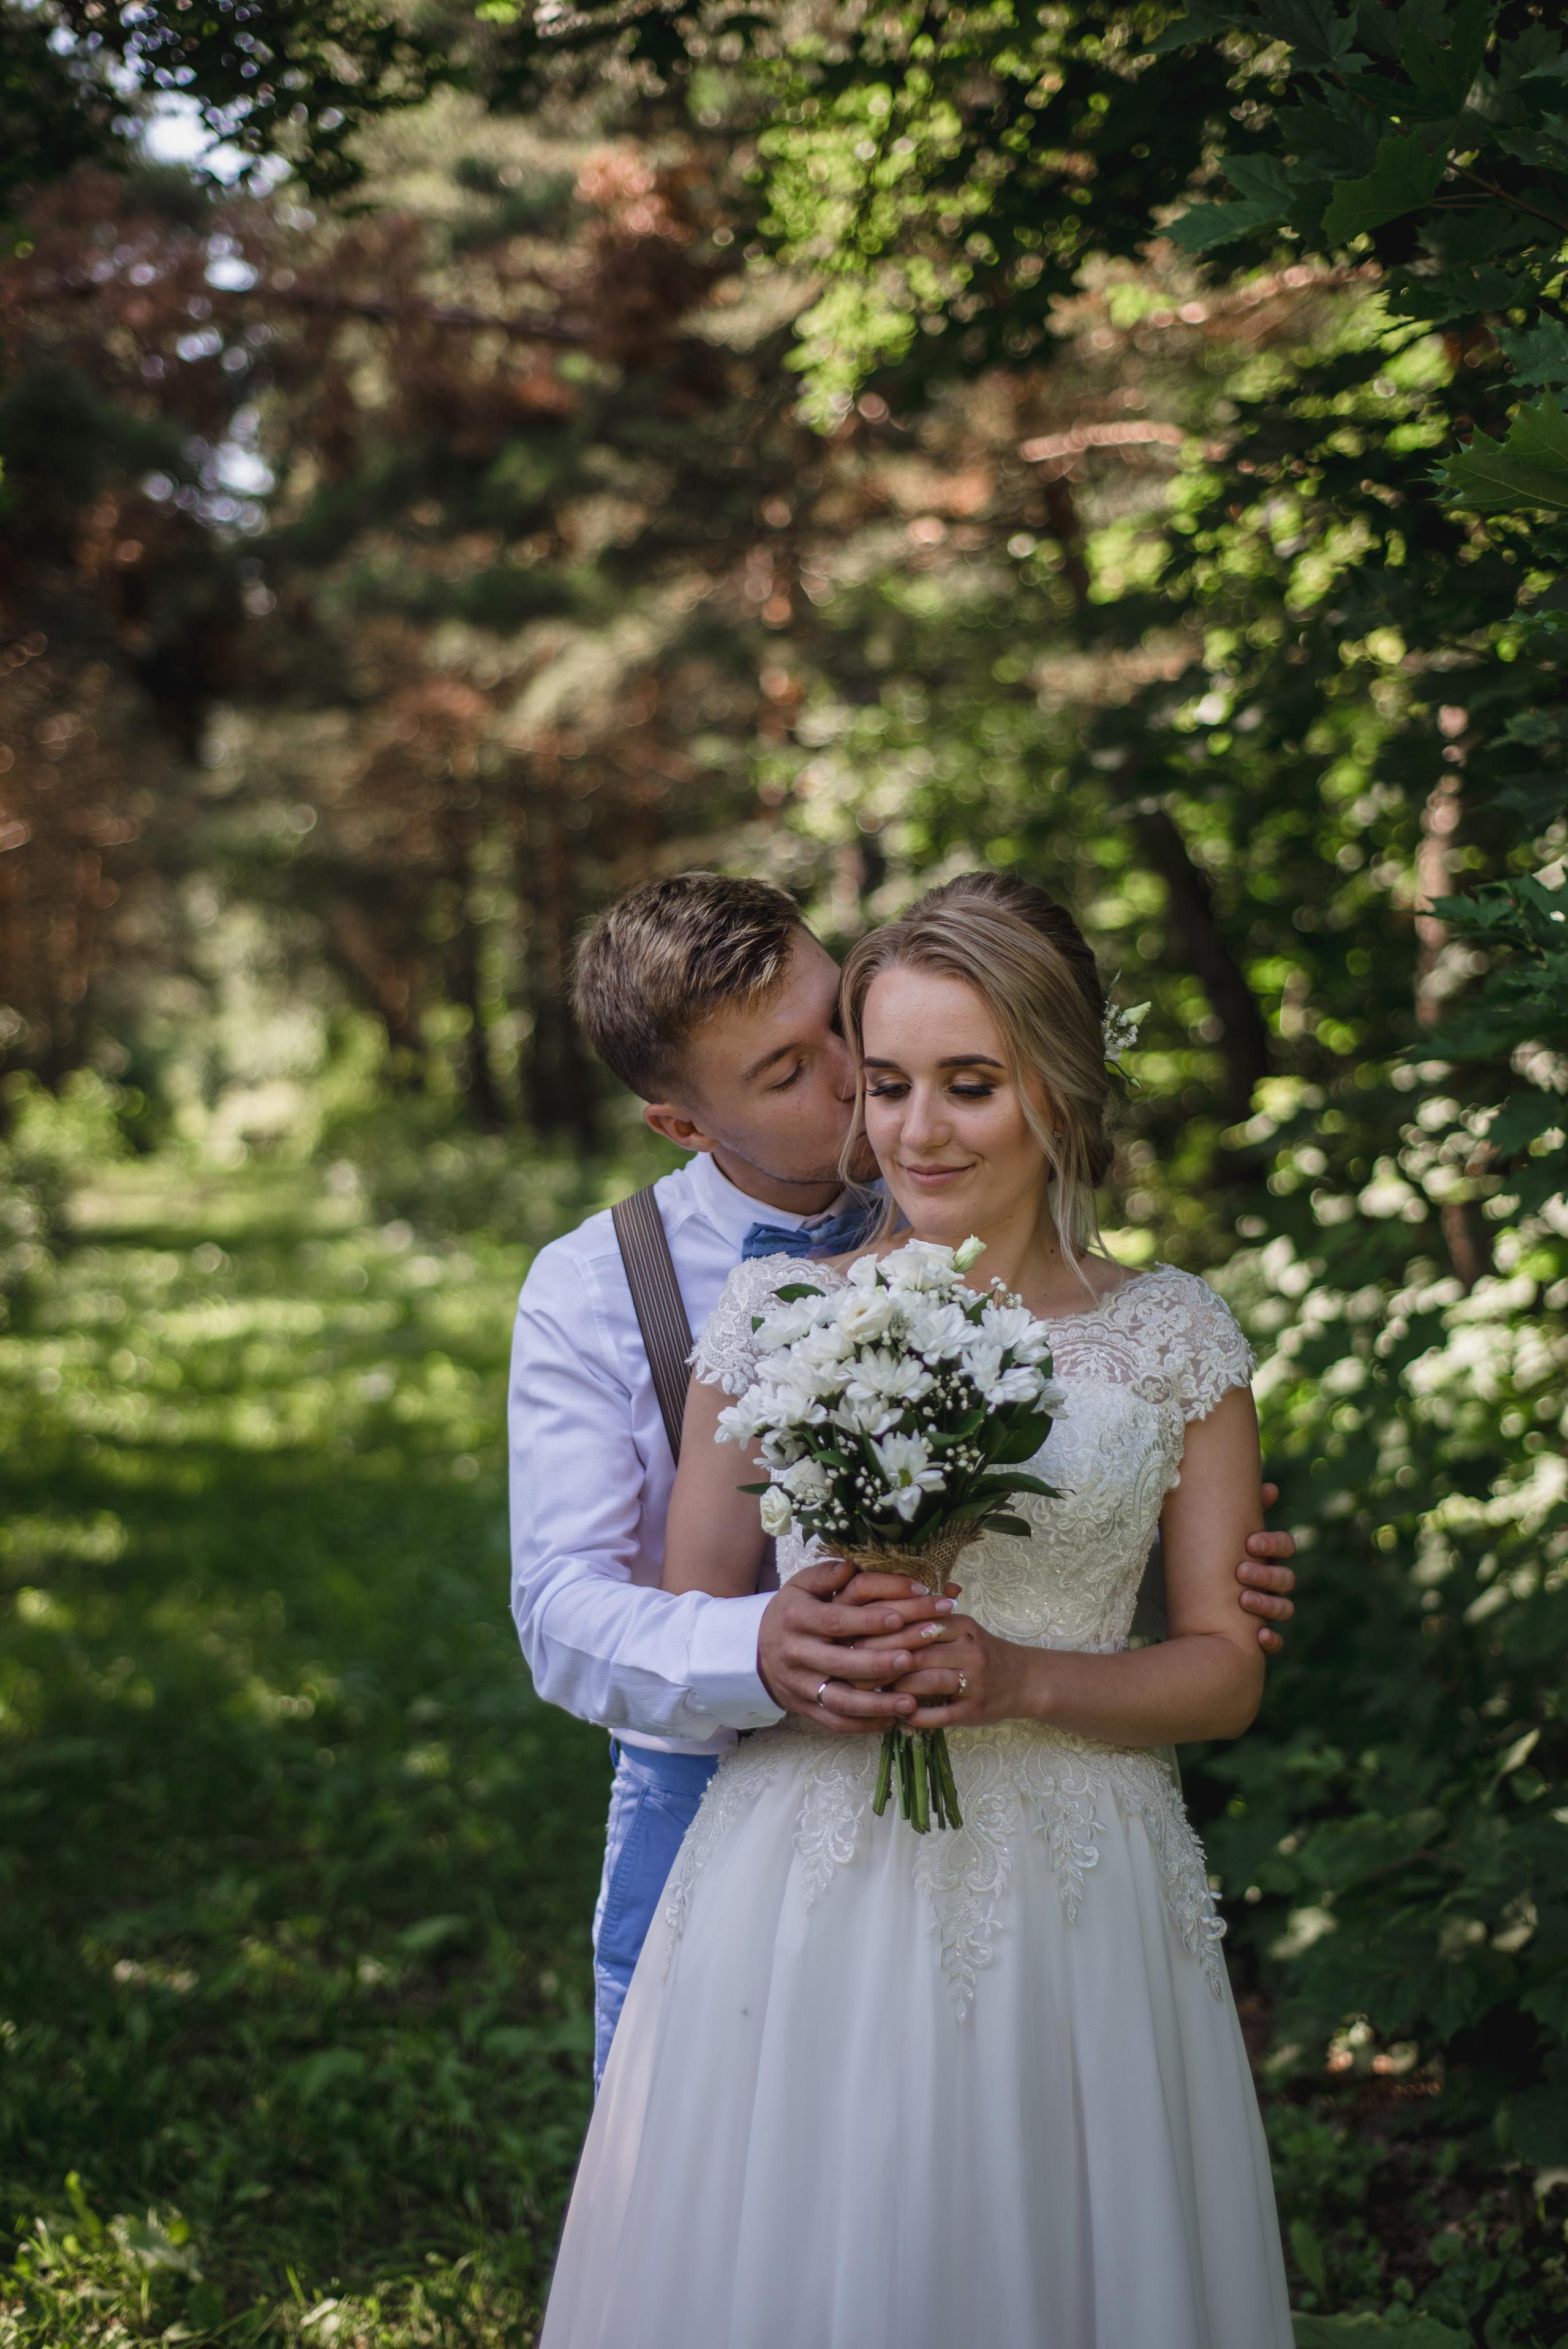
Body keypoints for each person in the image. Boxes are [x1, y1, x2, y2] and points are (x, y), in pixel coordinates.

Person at [538, 882, 1293, 2348]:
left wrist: (1020, 1677)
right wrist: (793, 1632)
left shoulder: (1173, 1334)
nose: (915, 1129)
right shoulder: (770, 1319)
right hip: (803, 1868)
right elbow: (688, 1610)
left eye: (971, 1085)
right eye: (883, 1085)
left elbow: (1221, 1671)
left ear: (1058, 1095)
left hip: (1082, 1881)